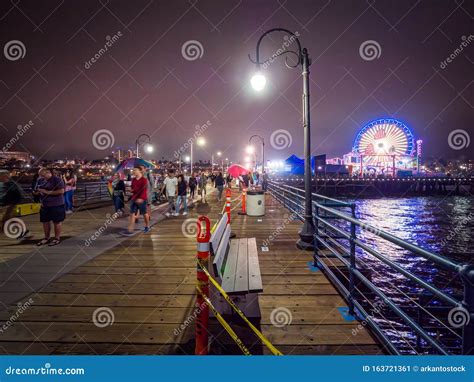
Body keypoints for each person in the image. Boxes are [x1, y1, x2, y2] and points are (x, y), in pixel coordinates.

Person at [35, 168, 66, 246]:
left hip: (56, 205)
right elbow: (37, 189)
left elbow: (61, 191)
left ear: (48, 173)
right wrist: (36, 192)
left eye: (43, 175)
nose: (42, 177)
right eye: (40, 175)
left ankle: (57, 238)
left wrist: (47, 192)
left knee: (57, 222)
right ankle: (46, 238)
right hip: (44, 205)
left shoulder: (57, 179)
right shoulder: (40, 180)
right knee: (45, 222)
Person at [0, 170, 30, 240]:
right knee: (9, 220)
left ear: (4, 176)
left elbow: (19, 195)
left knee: (8, 220)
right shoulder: (2, 183)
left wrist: (13, 204)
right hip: (3, 205)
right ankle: (24, 232)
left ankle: (24, 232)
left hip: (9, 205)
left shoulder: (12, 184)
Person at [121, 166, 150, 235]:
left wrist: (141, 198)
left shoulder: (144, 180)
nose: (133, 171)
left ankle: (147, 226)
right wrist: (131, 190)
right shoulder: (133, 180)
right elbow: (134, 188)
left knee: (144, 213)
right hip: (134, 199)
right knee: (132, 213)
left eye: (135, 170)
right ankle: (130, 229)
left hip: (142, 199)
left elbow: (144, 190)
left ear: (140, 171)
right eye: (133, 170)